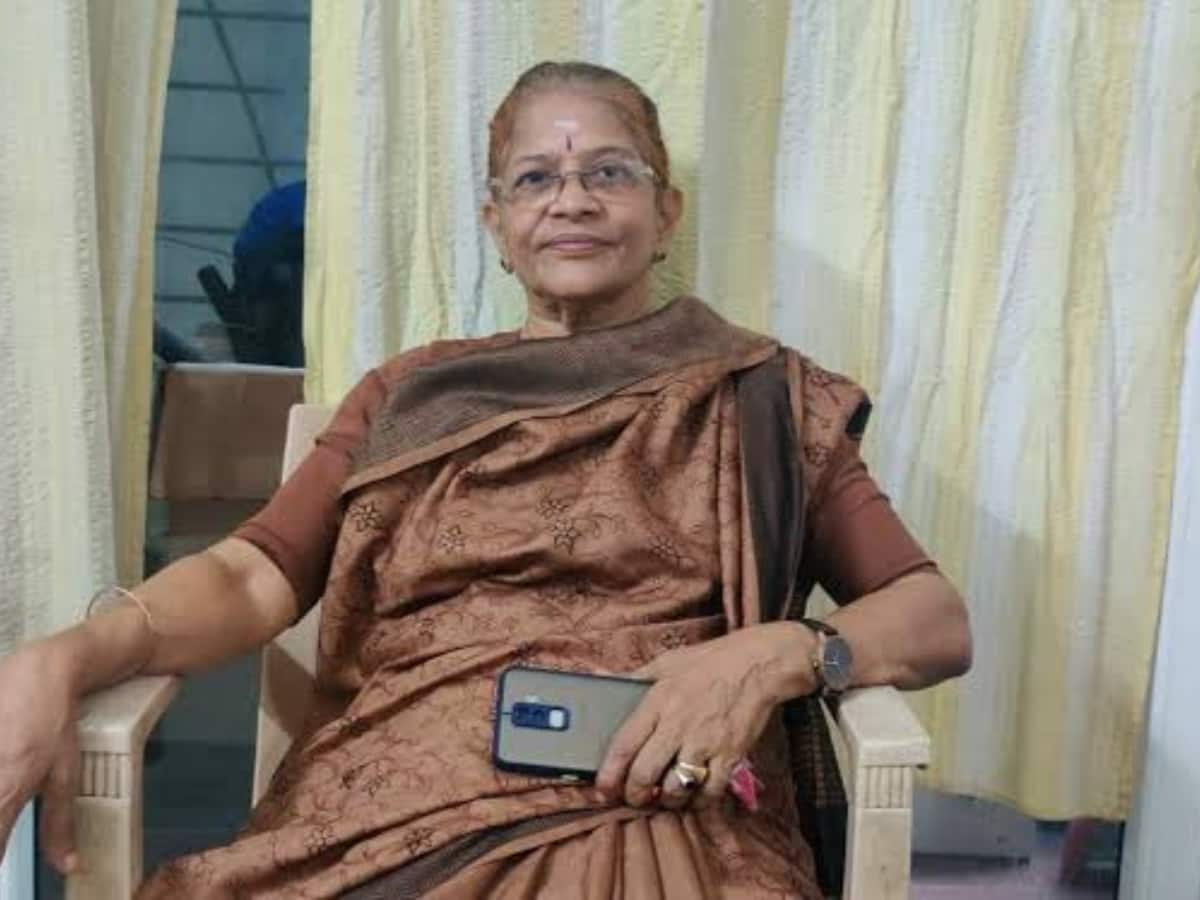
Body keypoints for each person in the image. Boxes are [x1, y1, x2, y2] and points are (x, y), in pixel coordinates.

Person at [0, 61, 971, 898]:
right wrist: (71, 656)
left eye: (610, 172)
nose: (572, 199)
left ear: (666, 213)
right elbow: (251, 578)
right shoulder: (410, 396)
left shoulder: (761, 396)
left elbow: (932, 616)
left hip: (658, 796)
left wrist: (777, 655)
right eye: (536, 177)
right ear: (497, 223)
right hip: (392, 806)